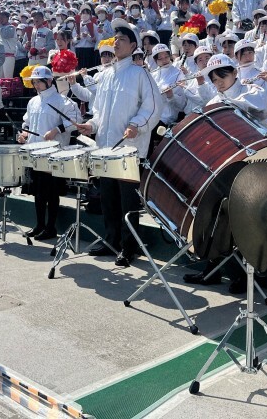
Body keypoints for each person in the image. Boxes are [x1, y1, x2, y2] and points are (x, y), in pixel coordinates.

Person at [75, 20, 162, 267]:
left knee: (128, 201)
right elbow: (99, 111)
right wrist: (91, 126)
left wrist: (138, 124)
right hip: (105, 147)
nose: (116, 42)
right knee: (108, 197)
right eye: (115, 39)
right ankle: (111, 239)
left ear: (133, 45)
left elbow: (154, 105)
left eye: (122, 39)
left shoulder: (139, 72)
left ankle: (129, 246)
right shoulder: (104, 76)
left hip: (128, 148)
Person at [19, 66, 81, 240]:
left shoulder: (63, 101)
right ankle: (39, 225)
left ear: (48, 81)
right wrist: (24, 134)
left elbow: (75, 121)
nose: (36, 85)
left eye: (38, 81)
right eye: (34, 82)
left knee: (51, 193)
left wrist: (56, 130)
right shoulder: (33, 102)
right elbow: (27, 123)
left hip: (54, 153)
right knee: (38, 193)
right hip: (35, 152)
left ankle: (51, 227)